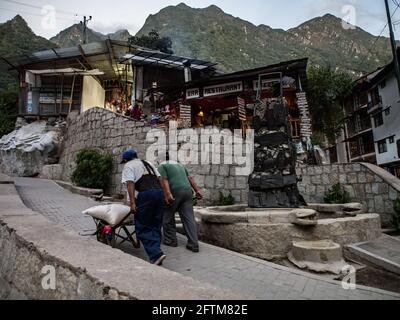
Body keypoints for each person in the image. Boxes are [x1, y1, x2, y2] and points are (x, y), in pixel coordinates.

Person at [121, 149, 166, 265]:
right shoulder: (148, 163)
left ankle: (156, 255)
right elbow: (160, 179)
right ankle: (157, 251)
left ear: (125, 160)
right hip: (159, 193)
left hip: (146, 194)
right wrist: (165, 195)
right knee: (156, 223)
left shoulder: (128, 165)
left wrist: (132, 203)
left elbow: (130, 183)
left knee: (142, 225)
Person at [158, 157, 203, 252]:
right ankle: (194, 244)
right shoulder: (180, 165)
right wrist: (197, 190)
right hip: (187, 192)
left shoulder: (162, 166)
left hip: (175, 191)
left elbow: (164, 180)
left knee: (168, 216)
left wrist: (168, 194)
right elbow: (190, 178)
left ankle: (171, 240)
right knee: (189, 218)